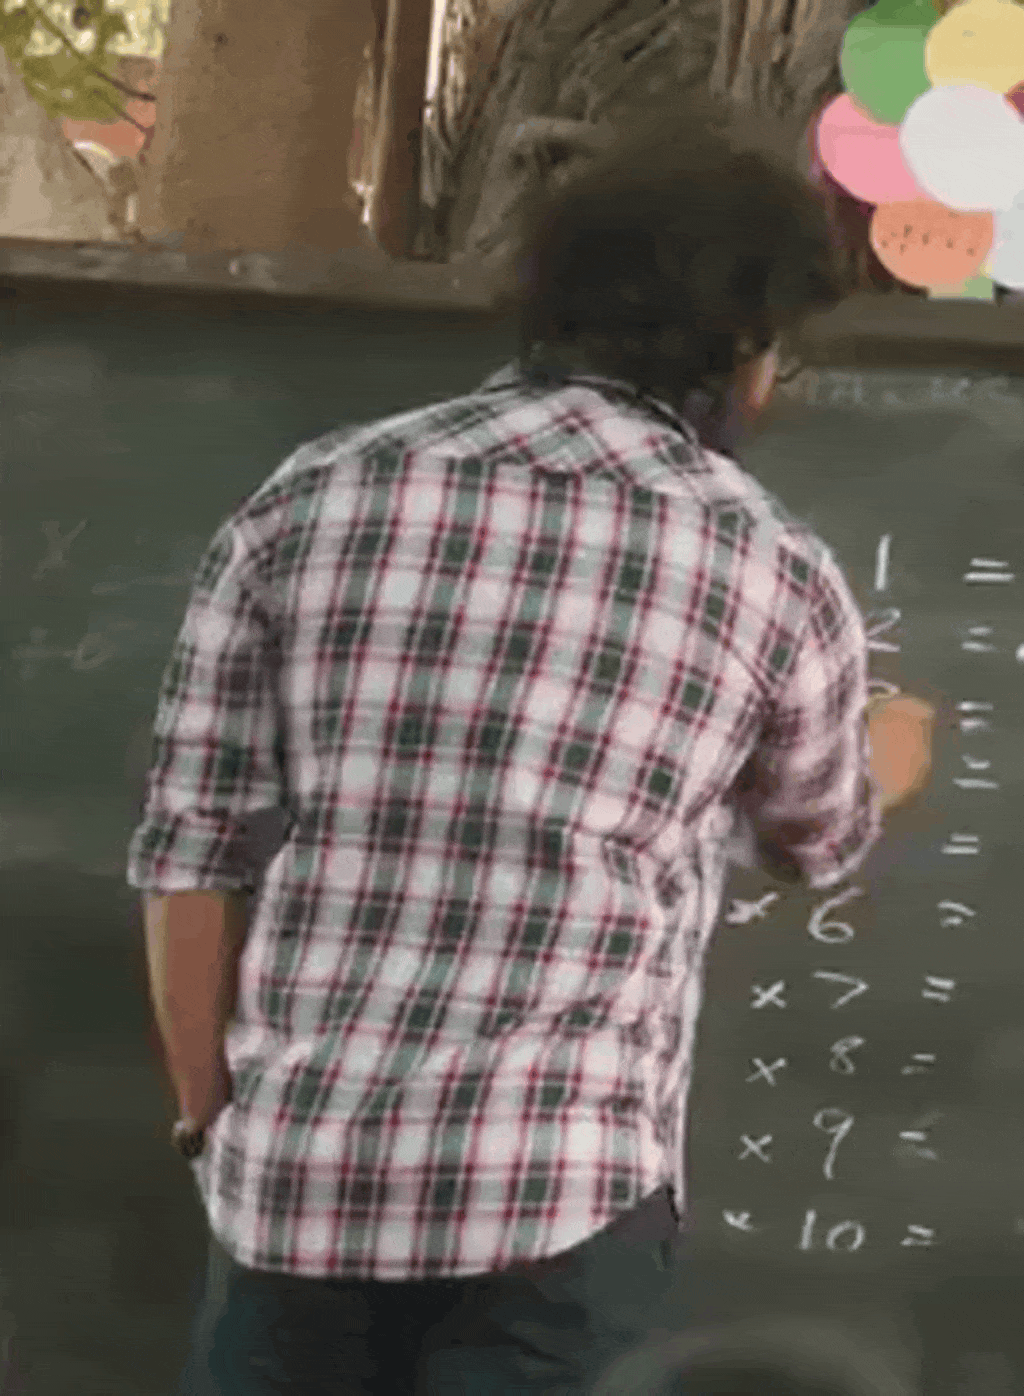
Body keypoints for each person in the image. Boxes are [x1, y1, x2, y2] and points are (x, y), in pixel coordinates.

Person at [127, 90, 936, 1396]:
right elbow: (818, 839)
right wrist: (889, 757)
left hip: (291, 1187)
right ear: (742, 343)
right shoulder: (766, 562)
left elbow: (190, 852)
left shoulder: (312, 496)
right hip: (564, 1203)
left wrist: (202, 1120)